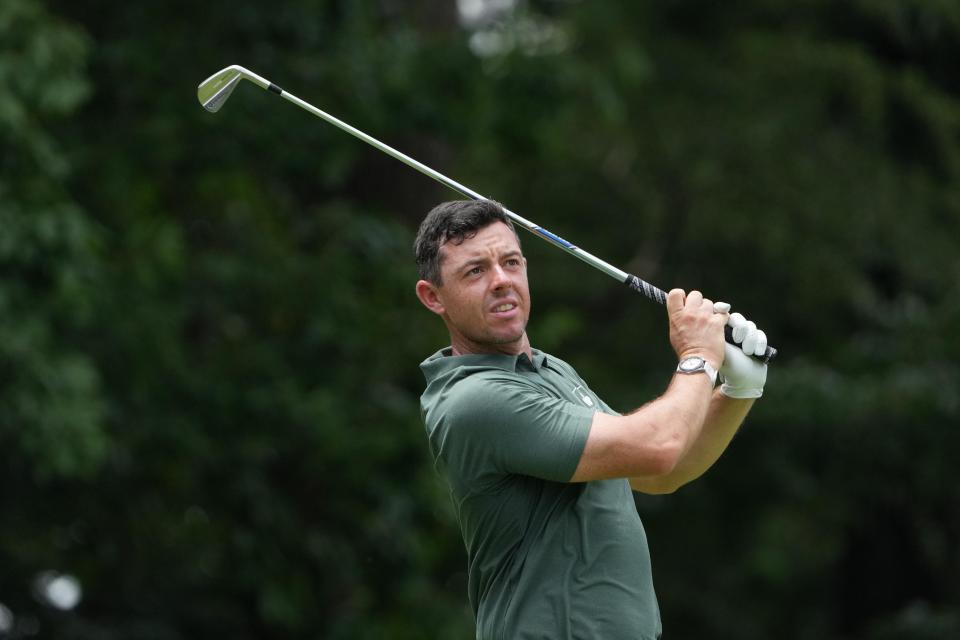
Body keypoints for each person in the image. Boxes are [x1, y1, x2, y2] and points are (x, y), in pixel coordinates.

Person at [413, 199, 769, 640]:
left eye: (511, 262)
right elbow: (657, 448)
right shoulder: (474, 399)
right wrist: (699, 358)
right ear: (434, 297)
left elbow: (660, 473)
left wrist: (738, 390)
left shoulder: (552, 371)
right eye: (475, 271)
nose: (501, 281)